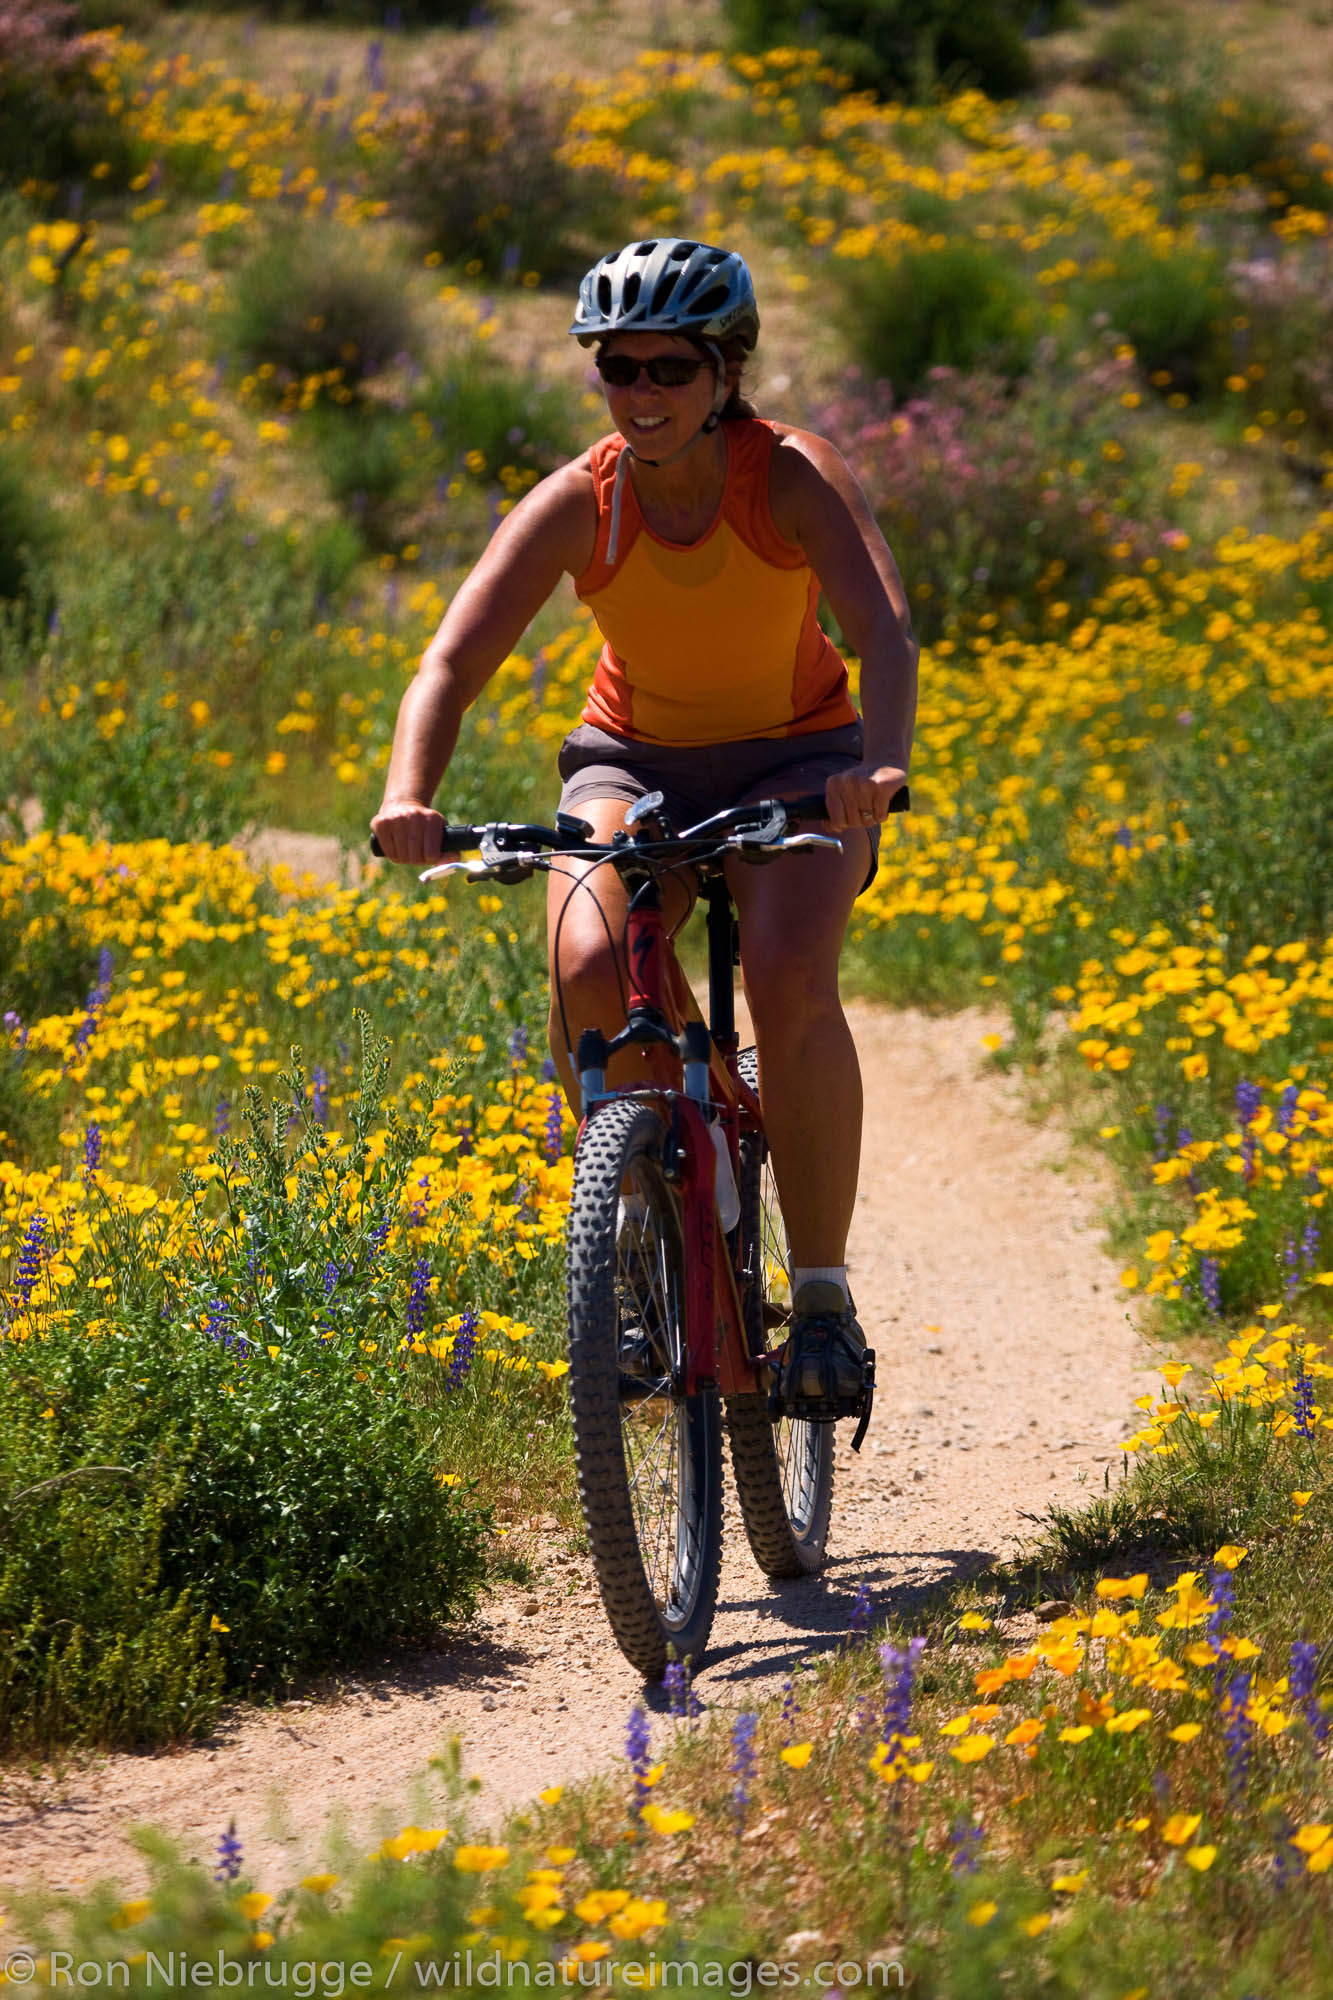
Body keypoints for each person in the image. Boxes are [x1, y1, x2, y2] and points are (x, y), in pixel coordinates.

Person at [371, 238, 918, 1424]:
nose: (643, 393)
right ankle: (631, 1246)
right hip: (633, 758)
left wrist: (877, 764)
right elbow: (452, 659)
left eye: (670, 367)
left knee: (783, 973)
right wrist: (407, 792)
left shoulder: (788, 477)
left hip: (804, 757)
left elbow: (881, 626)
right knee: (581, 959)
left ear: (725, 372)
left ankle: (820, 1301)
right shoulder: (585, 499)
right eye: (617, 368)